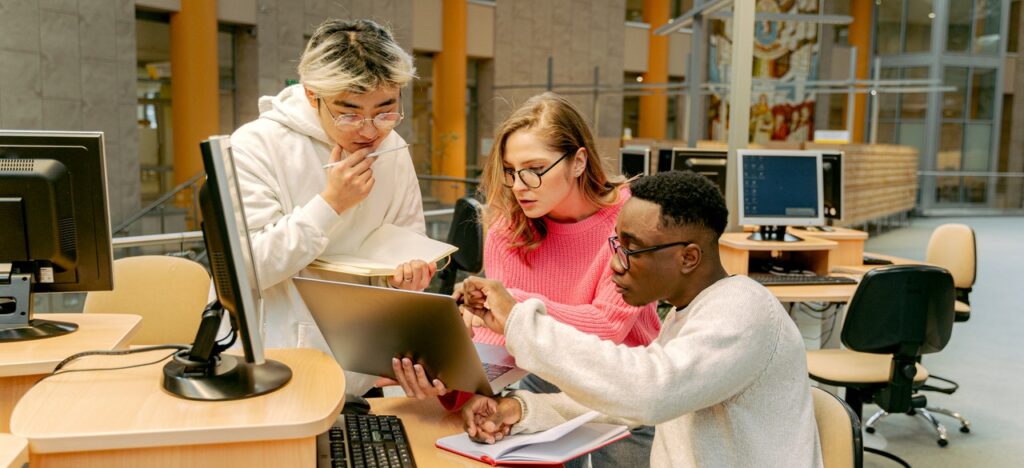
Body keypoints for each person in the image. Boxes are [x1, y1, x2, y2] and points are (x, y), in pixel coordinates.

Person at [459, 171, 823, 468]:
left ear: (689, 258)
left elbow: (649, 393)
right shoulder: (691, 311)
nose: (616, 264)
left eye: (632, 249)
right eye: (616, 245)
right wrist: (522, 409)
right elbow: (622, 402)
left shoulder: (743, 312)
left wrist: (519, 322)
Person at [388, 92, 661, 467]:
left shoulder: (630, 220)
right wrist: (471, 392)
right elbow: (496, 332)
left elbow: (608, 327)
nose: (518, 185)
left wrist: (513, 306)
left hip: (624, 383)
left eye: (534, 168)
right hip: (540, 377)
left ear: (579, 161)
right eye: (511, 171)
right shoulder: (508, 227)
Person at [229, 19, 435, 400]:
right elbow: (248, 268)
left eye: (386, 110)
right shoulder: (256, 145)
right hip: (276, 366)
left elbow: (411, 241)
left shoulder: (394, 148)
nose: (369, 130)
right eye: (349, 113)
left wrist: (410, 275)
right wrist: (331, 204)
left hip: (363, 368)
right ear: (311, 95)